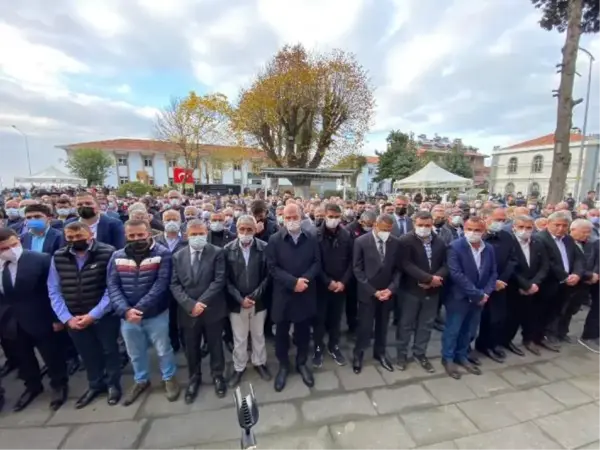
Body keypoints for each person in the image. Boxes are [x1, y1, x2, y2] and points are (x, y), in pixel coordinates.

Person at [48, 222, 122, 408]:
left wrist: (94, 314)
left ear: (90, 235)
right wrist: (66, 318)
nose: (74, 241)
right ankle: (95, 384)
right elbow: (54, 289)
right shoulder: (59, 256)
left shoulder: (108, 252)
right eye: (70, 238)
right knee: (87, 353)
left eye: (79, 236)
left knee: (109, 350)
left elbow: (112, 286)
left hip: (103, 315)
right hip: (73, 315)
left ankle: (113, 384)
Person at [107, 219, 179, 405]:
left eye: (140, 234)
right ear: (126, 236)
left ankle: (168, 378)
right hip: (128, 316)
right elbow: (112, 285)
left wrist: (138, 308)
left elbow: (161, 284)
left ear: (148, 233)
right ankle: (141, 380)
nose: (137, 238)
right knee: (135, 351)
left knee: (163, 349)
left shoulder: (162, 254)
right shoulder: (117, 256)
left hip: (156, 313)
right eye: (132, 236)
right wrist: (125, 310)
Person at [0, 227, 68, 412]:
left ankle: (59, 385)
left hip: (40, 317)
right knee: (24, 357)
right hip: (10, 321)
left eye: (14, 245)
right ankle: (32, 386)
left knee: (51, 355)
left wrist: (57, 318)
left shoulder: (40, 260)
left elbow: (53, 292)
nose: (10, 250)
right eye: (4, 248)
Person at [266, 204, 321, 392]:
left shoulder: (311, 238)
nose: (291, 220)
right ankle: (283, 365)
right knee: (281, 332)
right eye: (287, 217)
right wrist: (292, 282)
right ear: (282, 218)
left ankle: (301, 362)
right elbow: (272, 267)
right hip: (283, 294)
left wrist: (304, 280)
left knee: (303, 331)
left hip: (305, 291)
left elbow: (316, 263)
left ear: (301, 216)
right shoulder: (274, 240)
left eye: (294, 216)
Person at [171, 219, 227, 402]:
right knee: (191, 347)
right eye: (193, 234)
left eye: (201, 233)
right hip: (188, 312)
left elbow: (219, 280)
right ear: (186, 235)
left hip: (212, 309)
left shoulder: (217, 253)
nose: (197, 237)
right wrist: (190, 305)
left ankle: (218, 375)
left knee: (215, 345)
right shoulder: (178, 256)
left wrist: (201, 303)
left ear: (207, 233)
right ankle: (194, 378)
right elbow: (174, 284)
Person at [442, 217, 497, 380]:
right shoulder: (455, 247)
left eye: (477, 230)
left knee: (469, 329)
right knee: (453, 329)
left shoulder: (489, 248)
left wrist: (485, 293)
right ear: (464, 229)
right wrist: (477, 294)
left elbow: (493, 273)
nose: (473, 233)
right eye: (470, 229)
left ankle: (462, 355)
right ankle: (448, 358)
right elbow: (456, 274)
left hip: (480, 297)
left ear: (484, 231)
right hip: (459, 297)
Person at [396, 211, 447, 373]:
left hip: (432, 291)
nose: (424, 228)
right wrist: (426, 278)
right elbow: (406, 264)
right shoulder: (405, 241)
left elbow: (446, 264)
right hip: (410, 290)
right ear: (413, 224)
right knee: (406, 324)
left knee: (426, 324)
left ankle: (420, 353)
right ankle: (401, 355)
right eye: (420, 225)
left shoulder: (439, 241)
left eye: (427, 225)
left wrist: (436, 278)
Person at [224, 215, 271, 387]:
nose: (245, 233)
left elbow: (268, 275)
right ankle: (239, 366)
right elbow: (225, 280)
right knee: (240, 337)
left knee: (258, 335)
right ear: (236, 230)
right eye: (241, 229)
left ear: (255, 230)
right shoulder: (227, 250)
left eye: (249, 229)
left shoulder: (264, 248)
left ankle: (259, 362)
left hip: (258, 302)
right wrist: (239, 298)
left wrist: (254, 296)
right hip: (237, 303)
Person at [352, 214, 400, 374]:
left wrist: (391, 289)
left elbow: (398, 269)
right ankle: (358, 354)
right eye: (383, 229)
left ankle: (380, 353)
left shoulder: (395, 242)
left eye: (388, 230)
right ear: (375, 226)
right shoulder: (361, 241)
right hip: (368, 292)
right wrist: (373, 291)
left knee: (383, 326)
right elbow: (357, 269)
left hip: (387, 293)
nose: (386, 232)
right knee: (364, 327)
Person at [313, 203, 353, 368]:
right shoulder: (315, 235)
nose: (334, 220)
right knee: (319, 319)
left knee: (336, 318)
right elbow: (315, 262)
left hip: (340, 286)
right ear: (324, 215)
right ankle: (318, 346)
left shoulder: (346, 235)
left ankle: (333, 345)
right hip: (321, 285)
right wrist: (327, 281)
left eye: (337, 217)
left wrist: (343, 282)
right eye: (331, 216)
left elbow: (352, 261)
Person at [475, 208, 517, 363]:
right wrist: (490, 282)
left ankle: (489, 345)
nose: (500, 223)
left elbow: (513, 259)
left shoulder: (506, 237)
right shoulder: (478, 235)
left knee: (496, 318)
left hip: (500, 285)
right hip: (481, 285)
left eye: (502, 220)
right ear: (486, 218)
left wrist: (502, 279)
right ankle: (470, 347)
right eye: (497, 219)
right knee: (476, 319)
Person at [537, 211, 584, 350]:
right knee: (543, 312)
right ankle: (539, 336)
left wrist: (576, 274)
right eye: (557, 225)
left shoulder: (568, 239)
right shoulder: (541, 238)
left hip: (567, 283)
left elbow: (578, 258)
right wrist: (565, 276)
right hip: (549, 283)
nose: (561, 228)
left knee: (558, 310)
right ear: (548, 224)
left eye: (564, 226)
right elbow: (549, 262)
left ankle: (551, 333)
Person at [504, 215, 549, 356]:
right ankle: (506, 341)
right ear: (514, 228)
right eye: (521, 227)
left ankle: (528, 339)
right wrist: (525, 285)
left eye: (528, 227)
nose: (525, 230)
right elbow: (510, 267)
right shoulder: (509, 243)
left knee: (532, 315)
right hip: (515, 287)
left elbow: (545, 265)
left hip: (534, 287)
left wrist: (535, 283)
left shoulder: (537, 242)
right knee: (512, 317)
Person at [154, 209, 187, 352]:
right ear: (162, 221)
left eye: (175, 218)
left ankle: (187, 345)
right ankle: (173, 344)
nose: (172, 222)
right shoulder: (155, 241)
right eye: (168, 219)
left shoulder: (187, 240)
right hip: (163, 287)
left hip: (184, 286)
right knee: (168, 320)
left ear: (181, 221)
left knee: (185, 319)